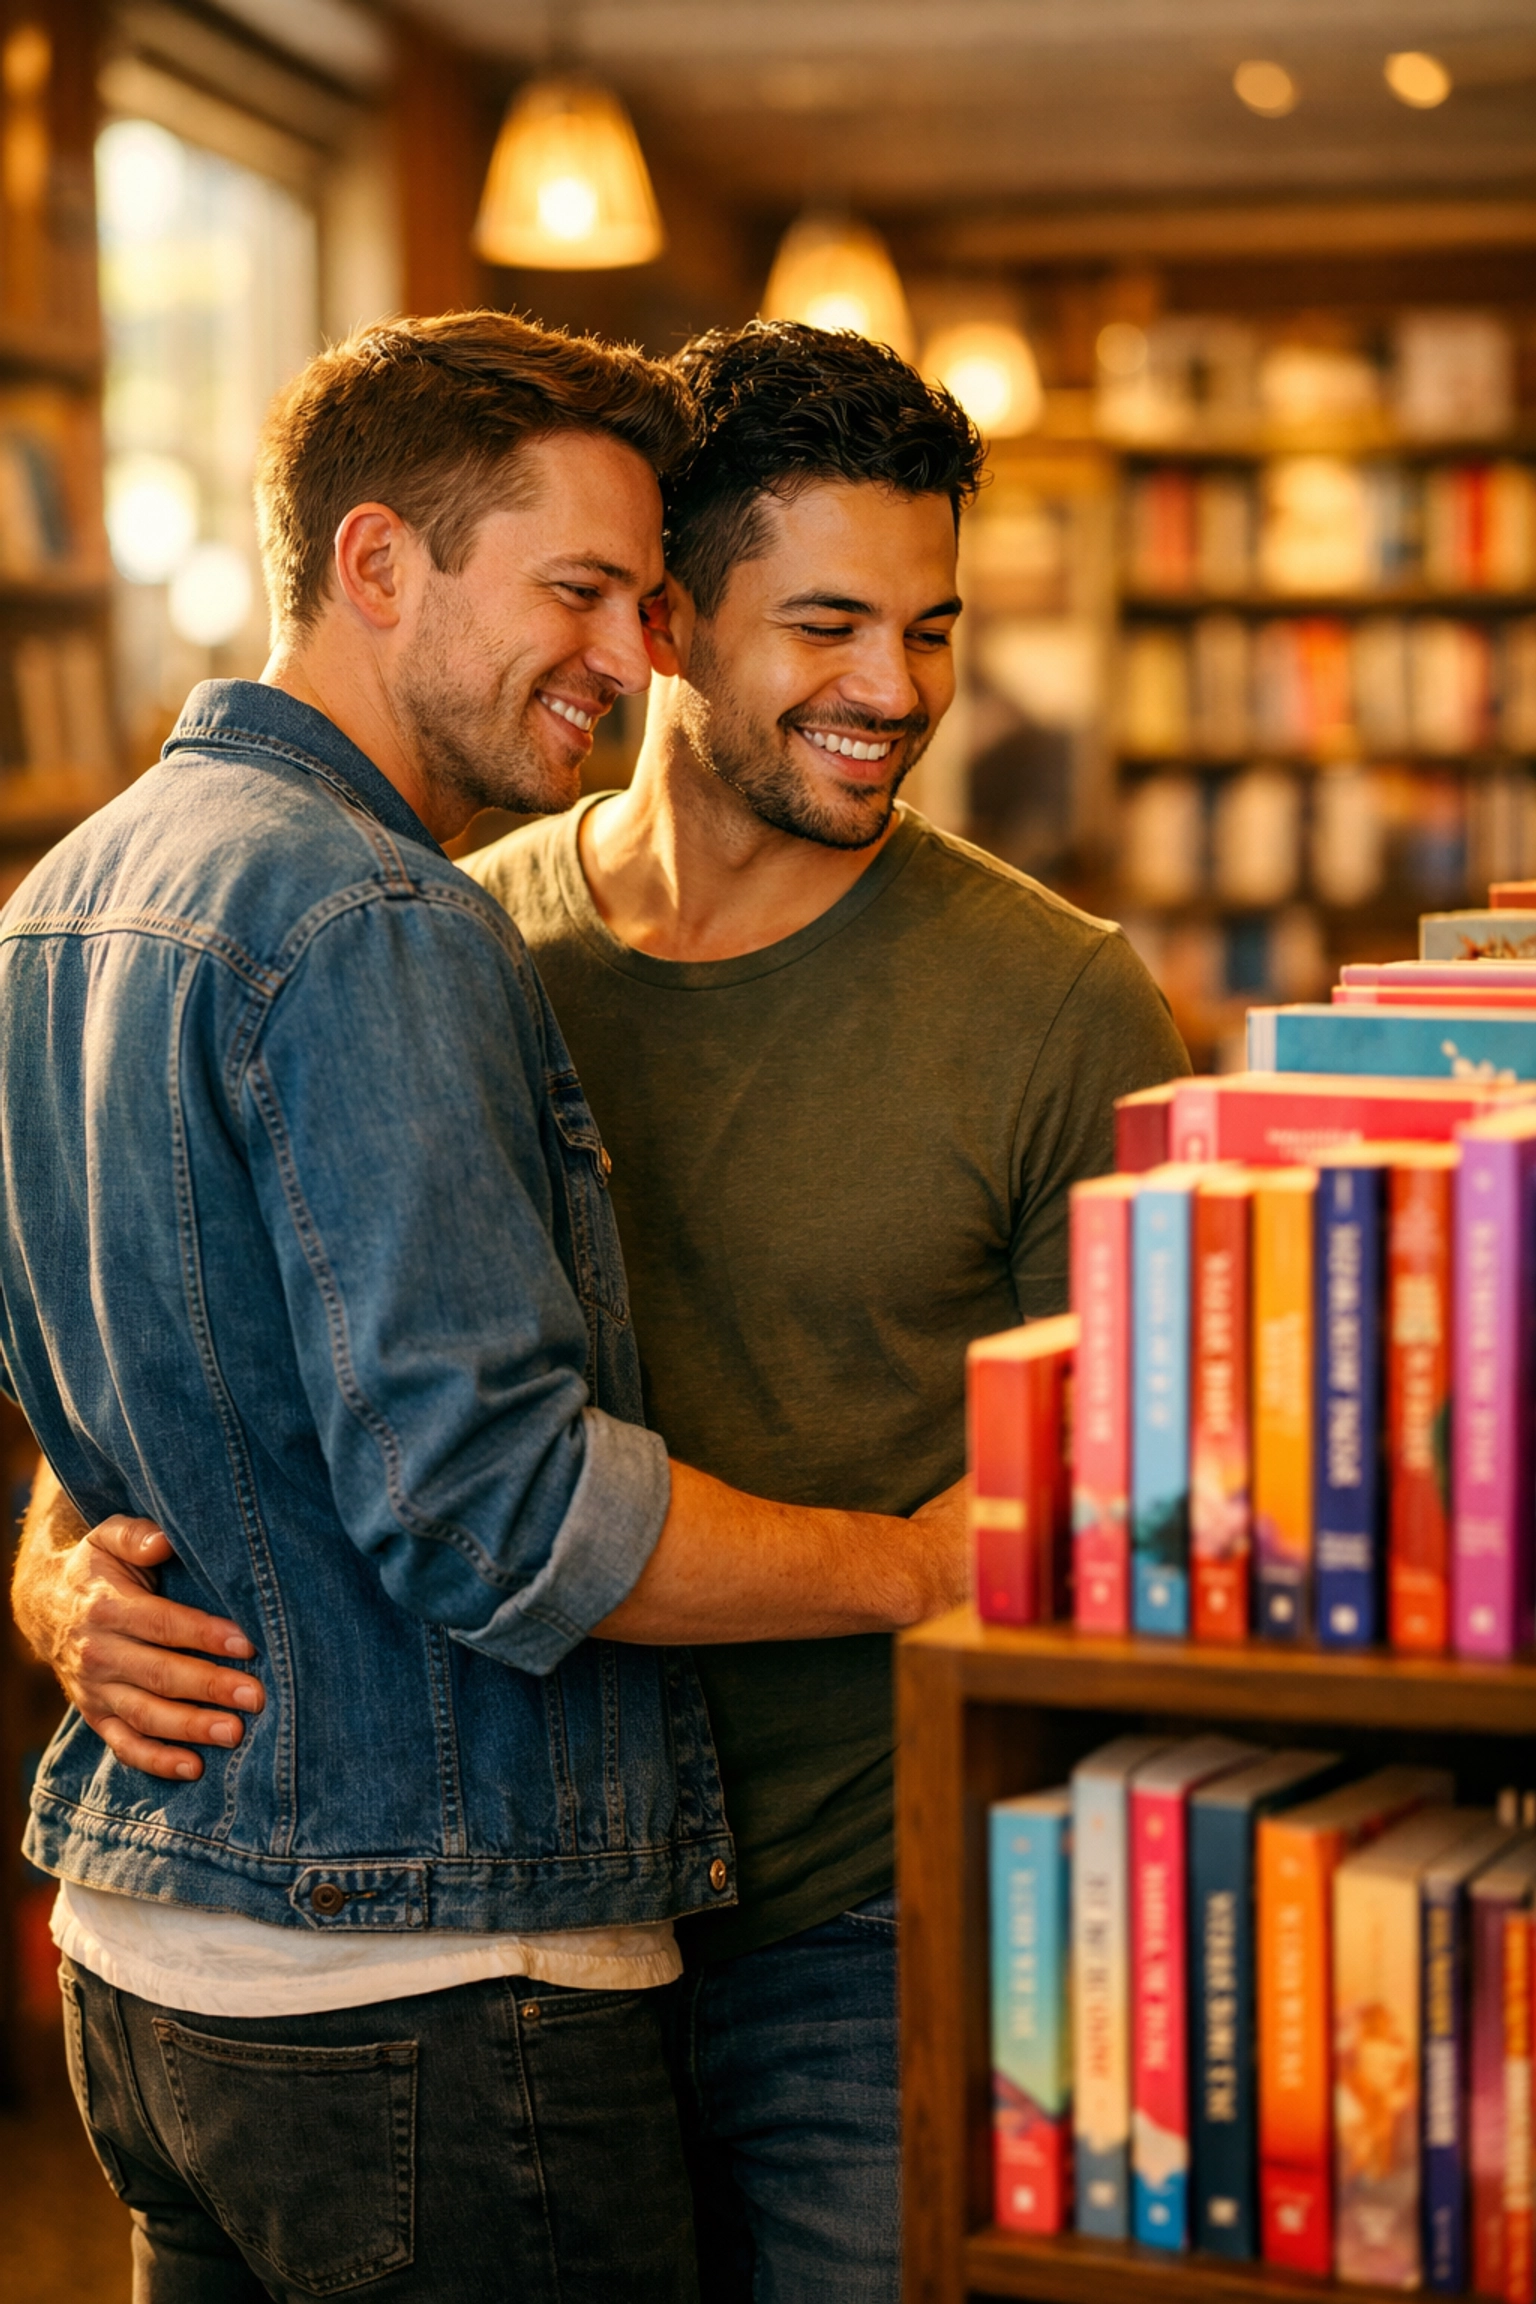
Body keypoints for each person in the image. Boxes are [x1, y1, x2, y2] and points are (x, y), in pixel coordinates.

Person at [0, 311, 969, 2304]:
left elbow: (100, 1395)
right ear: (376, 565)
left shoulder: (64, 894)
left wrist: (55, 1578)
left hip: (150, 1970)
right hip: (432, 1980)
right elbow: (492, 1512)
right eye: (580, 592)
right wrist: (916, 1563)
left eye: (643, 599)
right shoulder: (380, 918)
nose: (629, 657)